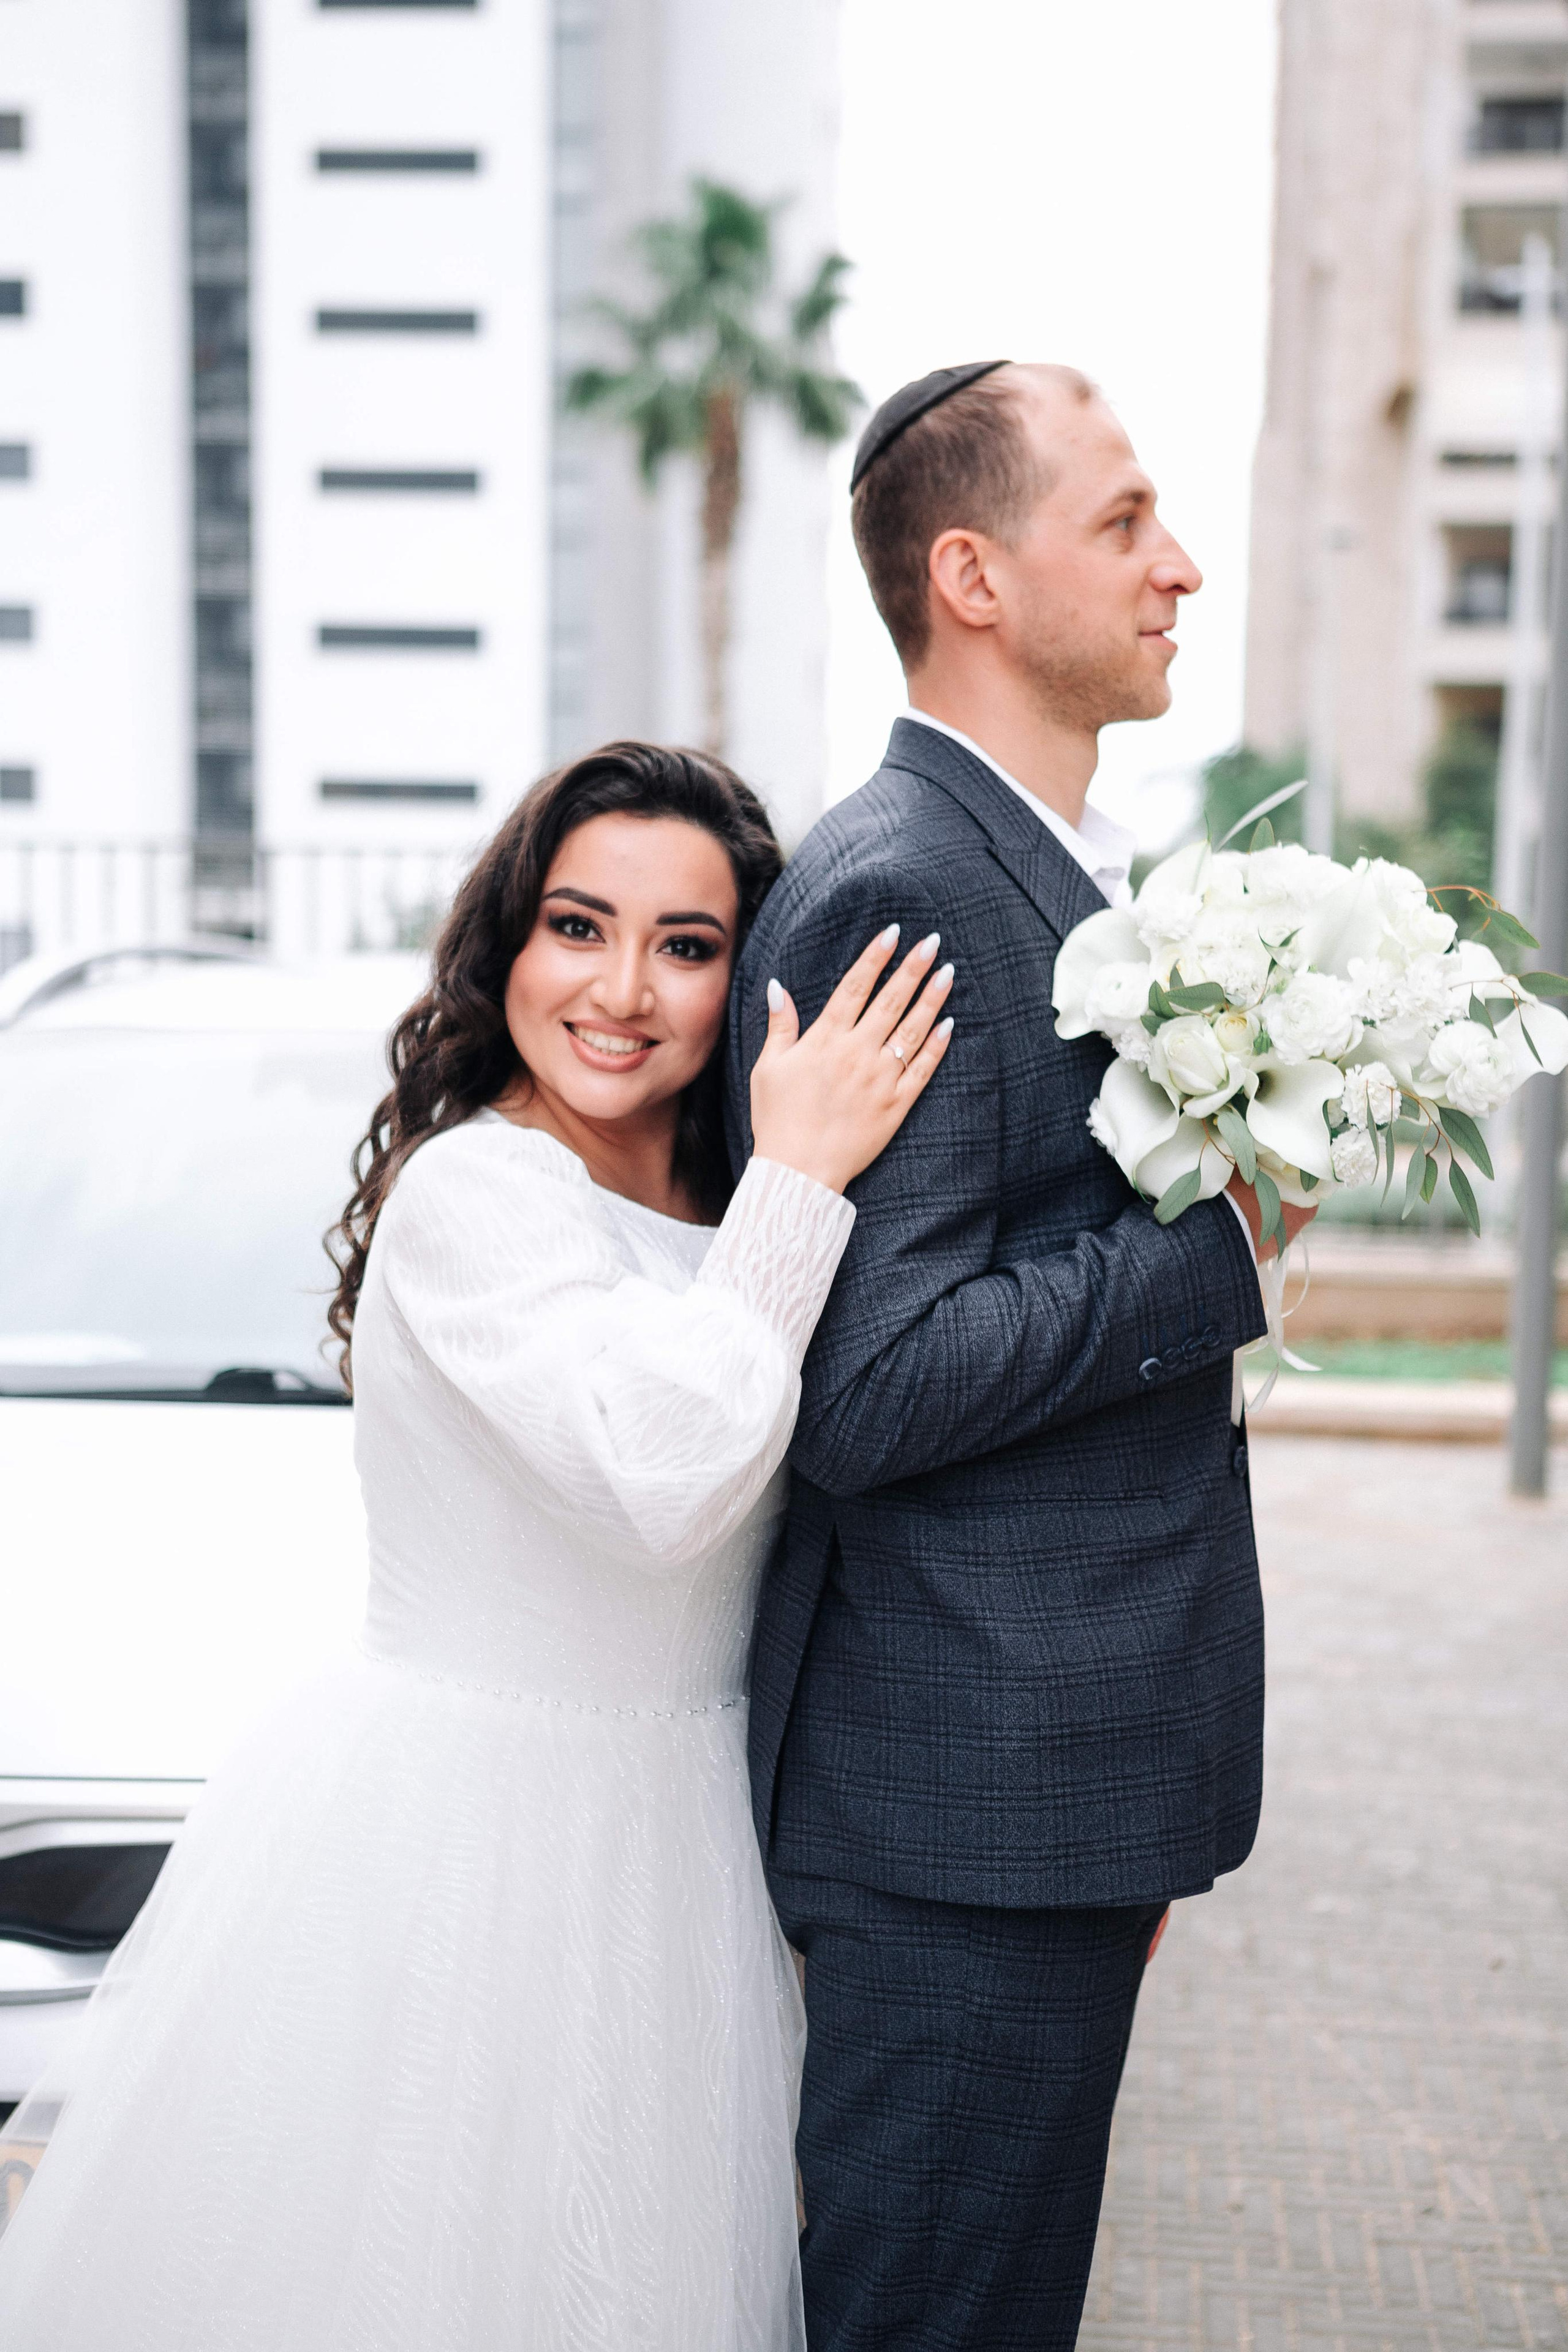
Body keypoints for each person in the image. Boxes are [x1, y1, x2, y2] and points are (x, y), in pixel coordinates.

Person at [0, 741, 953, 2351]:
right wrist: (804, 1173)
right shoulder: (480, 1191)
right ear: (507, 944)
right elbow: (665, 1470)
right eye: (578, 927)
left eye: (689, 946)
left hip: (679, 1852)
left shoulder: (742, 1222)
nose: (623, 991)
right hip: (464, 1862)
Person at [726, 363, 1316, 2352]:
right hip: (954, 1824)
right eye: (1128, 522)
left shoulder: (1043, 878)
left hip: (1033, 1800)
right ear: (971, 575)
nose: (1183, 568)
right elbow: (865, 1391)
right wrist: (1217, 1252)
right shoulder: (907, 886)